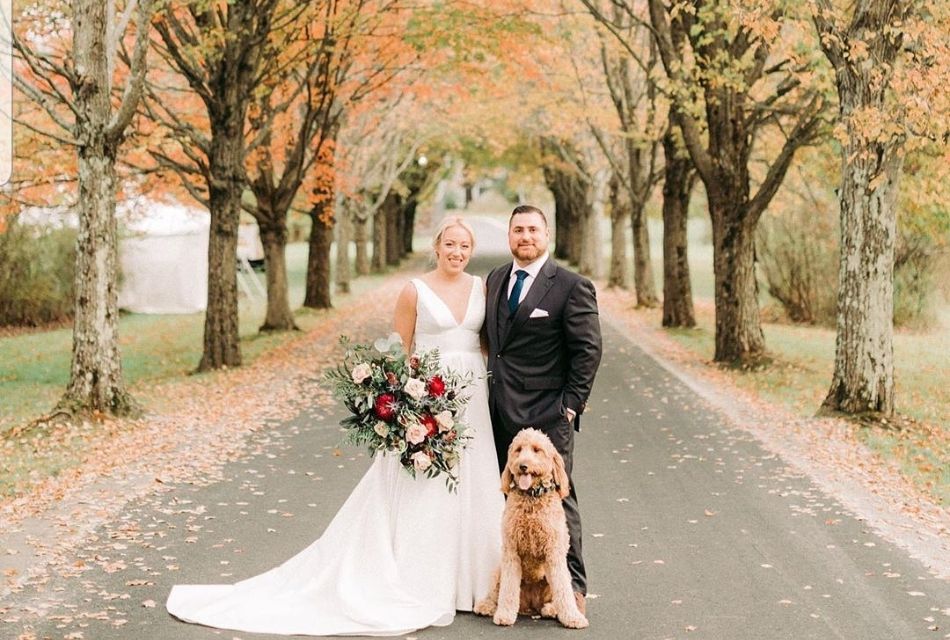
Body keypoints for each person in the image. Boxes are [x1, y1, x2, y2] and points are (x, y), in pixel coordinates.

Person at [166, 216, 503, 636]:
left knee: (475, 483)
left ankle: (476, 584)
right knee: (426, 488)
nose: (457, 252)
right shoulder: (413, 291)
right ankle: (423, 580)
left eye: (464, 246)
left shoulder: (482, 289)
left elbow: (488, 345)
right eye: (450, 244)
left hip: (472, 400)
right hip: (428, 401)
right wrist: (408, 407)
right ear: (436, 246)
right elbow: (400, 353)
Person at [484, 204, 603, 616]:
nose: (526, 237)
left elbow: (588, 349)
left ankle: (572, 590)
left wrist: (570, 406)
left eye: (533, 229)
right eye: (518, 230)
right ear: (510, 236)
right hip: (500, 413)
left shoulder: (570, 285)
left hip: (549, 416)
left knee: (559, 501)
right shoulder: (497, 278)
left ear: (546, 235)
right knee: (509, 500)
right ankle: (515, 592)